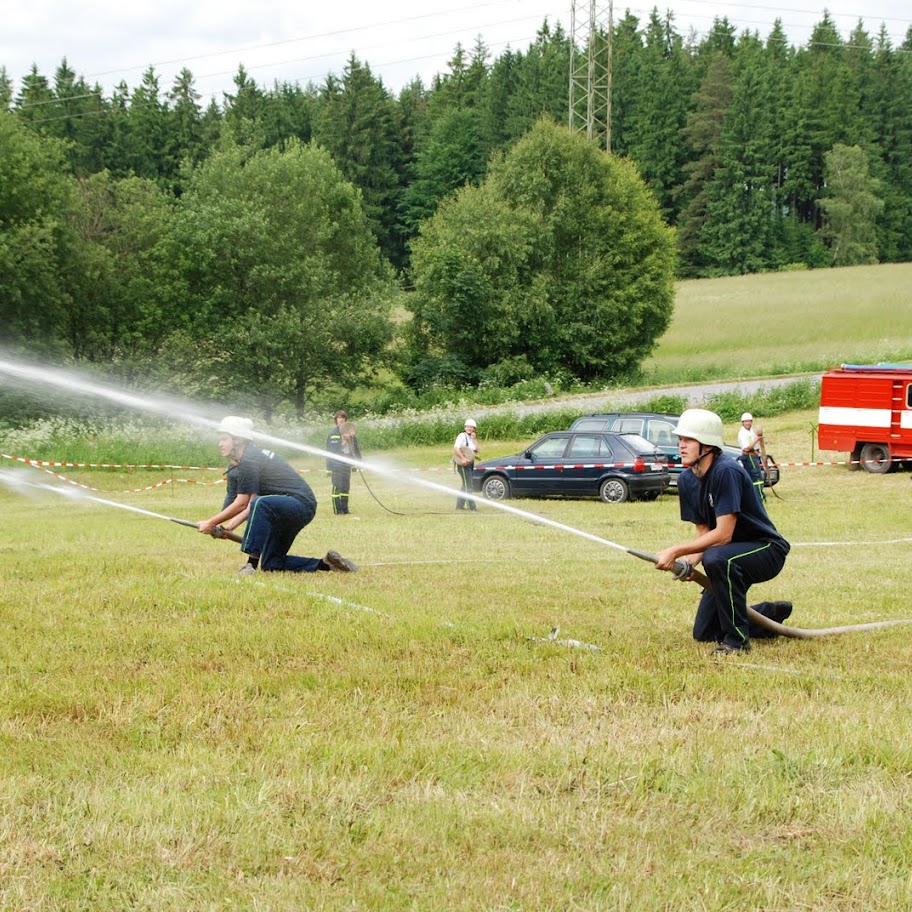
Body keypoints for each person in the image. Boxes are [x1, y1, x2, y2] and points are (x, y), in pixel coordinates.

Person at [654, 408, 792, 655]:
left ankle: (736, 642)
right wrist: (690, 563)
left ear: (706, 444)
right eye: (680, 440)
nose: (680, 446)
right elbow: (704, 532)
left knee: (716, 558)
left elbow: (723, 535)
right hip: (727, 557)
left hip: (766, 550)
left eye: (687, 440)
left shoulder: (726, 471)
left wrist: (676, 550)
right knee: (704, 632)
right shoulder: (687, 480)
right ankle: (769, 615)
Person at [199, 416, 357, 574]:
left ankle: (250, 565)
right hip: (281, 509)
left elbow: (243, 503)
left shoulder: (250, 459)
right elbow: (249, 504)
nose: (220, 444)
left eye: (224, 439)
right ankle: (327, 564)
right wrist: (227, 528)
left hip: (299, 504)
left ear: (238, 440)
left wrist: (211, 522)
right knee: (272, 563)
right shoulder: (245, 460)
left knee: (261, 503)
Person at [326, 410, 361, 516]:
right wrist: (344, 440)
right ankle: (338, 510)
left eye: (343, 417)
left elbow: (356, 449)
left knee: (345, 487)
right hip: (336, 464)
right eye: (339, 418)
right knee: (338, 486)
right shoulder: (333, 434)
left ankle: (345, 509)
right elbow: (333, 451)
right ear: (336, 420)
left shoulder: (351, 433)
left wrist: (358, 463)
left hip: (346, 464)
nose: (341, 419)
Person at [453, 418, 480, 512]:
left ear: (474, 429)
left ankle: (459, 506)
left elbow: (478, 450)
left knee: (465, 485)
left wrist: (474, 439)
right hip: (463, 465)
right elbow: (456, 448)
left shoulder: (471, 438)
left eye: (471, 427)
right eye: (467, 426)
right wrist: (463, 458)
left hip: (470, 464)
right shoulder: (461, 436)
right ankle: (472, 507)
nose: (469, 428)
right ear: (465, 427)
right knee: (469, 485)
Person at [737, 412, 765, 499]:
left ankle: (753, 498)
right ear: (743, 422)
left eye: (749, 421)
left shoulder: (751, 431)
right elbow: (746, 448)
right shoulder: (743, 433)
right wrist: (756, 440)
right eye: (746, 421)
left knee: (752, 477)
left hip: (754, 456)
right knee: (756, 477)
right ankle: (759, 497)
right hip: (749, 457)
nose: (748, 423)